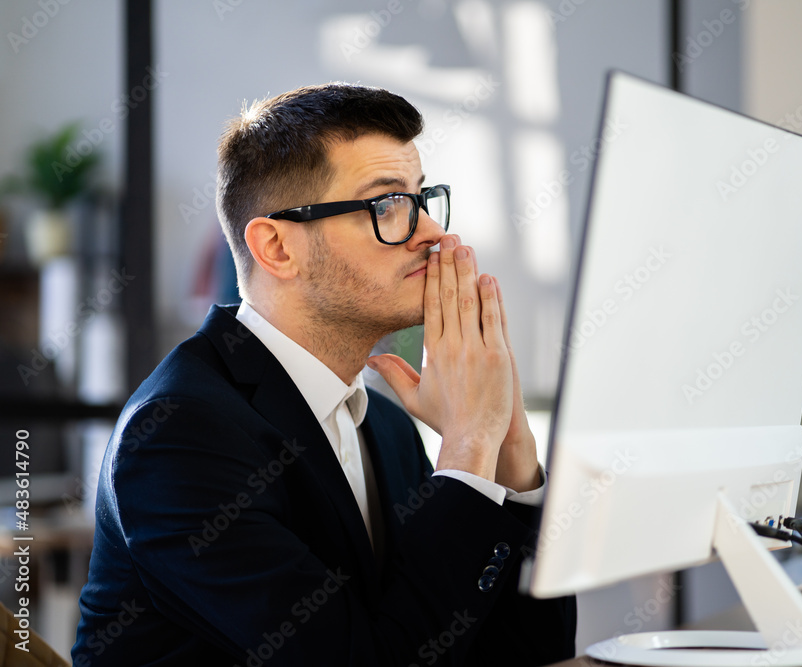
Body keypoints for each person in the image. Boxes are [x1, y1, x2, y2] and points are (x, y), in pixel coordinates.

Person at [73, 83, 576, 665]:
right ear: (278, 247)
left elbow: (525, 653)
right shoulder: (177, 435)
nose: (433, 234)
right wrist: (466, 446)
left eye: (422, 199)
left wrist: (509, 448)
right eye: (386, 206)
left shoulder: (384, 424)